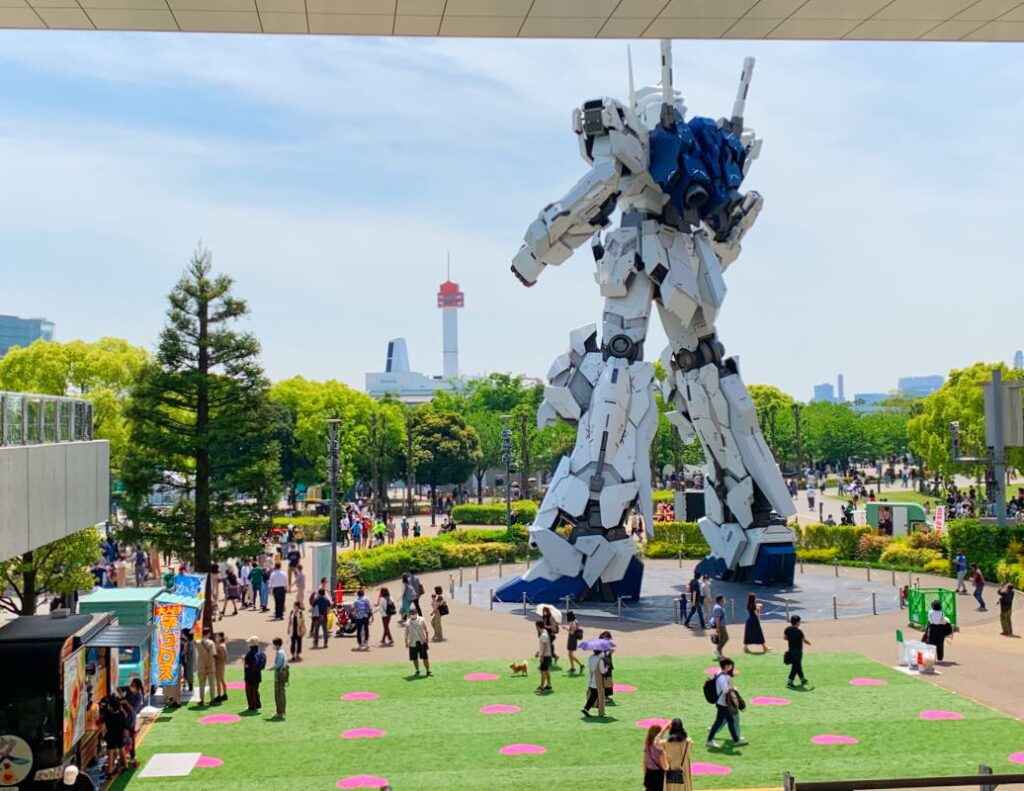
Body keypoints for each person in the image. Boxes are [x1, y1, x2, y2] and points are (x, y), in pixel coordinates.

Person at [707, 657, 747, 748]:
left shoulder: (719, 672)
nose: (731, 667)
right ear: (725, 666)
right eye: (729, 665)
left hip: (722, 703)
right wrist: (733, 688)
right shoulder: (724, 678)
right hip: (724, 703)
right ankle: (710, 739)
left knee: (730, 720)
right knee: (723, 721)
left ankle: (736, 739)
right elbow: (725, 690)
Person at [656, 718, 693, 791]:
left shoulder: (666, 743)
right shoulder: (689, 742)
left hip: (671, 773)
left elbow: (656, 742)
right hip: (683, 772)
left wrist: (663, 729)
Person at [405, 606, 432, 676]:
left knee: (425, 657)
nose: (412, 614)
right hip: (412, 642)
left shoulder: (421, 619)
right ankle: (417, 670)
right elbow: (406, 634)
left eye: (413, 613)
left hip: (422, 641)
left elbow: (426, 629)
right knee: (414, 658)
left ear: (416, 613)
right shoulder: (407, 622)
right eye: (411, 613)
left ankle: (428, 671)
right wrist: (406, 642)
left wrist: (427, 638)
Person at [580, 647, 607, 717]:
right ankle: (600, 712)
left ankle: (586, 709)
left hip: (591, 680)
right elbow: (602, 671)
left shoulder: (591, 657)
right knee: (600, 696)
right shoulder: (600, 659)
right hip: (598, 681)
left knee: (593, 695)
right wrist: (606, 668)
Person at [783, 615, 810, 687]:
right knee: (796, 666)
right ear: (797, 622)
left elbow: (785, 638)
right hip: (798, 651)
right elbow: (804, 640)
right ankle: (790, 681)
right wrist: (809, 643)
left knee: (798, 665)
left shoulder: (787, 629)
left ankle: (802, 679)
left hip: (791, 650)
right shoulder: (799, 631)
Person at [194, 627, 216, 706]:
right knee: (211, 683)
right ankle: (212, 699)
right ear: (208, 634)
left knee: (202, 684)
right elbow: (212, 654)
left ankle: (201, 700)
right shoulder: (211, 643)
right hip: (210, 665)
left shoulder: (198, 642)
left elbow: (194, 639)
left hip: (201, 664)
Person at [642, 723, 668, 791]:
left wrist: (646, 775)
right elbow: (664, 765)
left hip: (649, 773)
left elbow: (645, 762)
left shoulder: (646, 746)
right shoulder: (659, 748)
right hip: (658, 774)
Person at [243, 636, 264, 712]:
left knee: (250, 691)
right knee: (256, 690)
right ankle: (257, 704)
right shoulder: (259, 652)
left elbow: (247, 665)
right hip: (257, 675)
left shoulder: (249, 654)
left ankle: (252, 706)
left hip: (250, 675)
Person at [270, 636, 288, 720]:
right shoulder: (282, 652)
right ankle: (281, 711)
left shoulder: (280, 653)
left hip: (279, 676)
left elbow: (278, 664)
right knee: (281, 693)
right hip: (282, 675)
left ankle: (279, 712)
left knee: (278, 694)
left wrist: (272, 668)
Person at [535, 619, 553, 693]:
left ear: (538, 626)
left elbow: (545, 646)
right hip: (546, 655)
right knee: (546, 671)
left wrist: (541, 655)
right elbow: (544, 645)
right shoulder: (544, 632)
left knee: (543, 672)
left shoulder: (543, 635)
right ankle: (549, 685)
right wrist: (539, 652)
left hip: (545, 656)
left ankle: (542, 686)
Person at [710, 595, 728, 659]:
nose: (724, 600)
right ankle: (717, 650)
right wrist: (718, 629)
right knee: (726, 638)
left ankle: (719, 654)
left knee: (720, 640)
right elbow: (717, 619)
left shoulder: (718, 607)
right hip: (721, 626)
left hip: (721, 625)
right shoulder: (718, 608)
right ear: (720, 600)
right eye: (723, 599)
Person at [179, 628, 196, 695]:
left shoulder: (189, 644)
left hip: (187, 661)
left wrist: (181, 653)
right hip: (187, 661)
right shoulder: (189, 642)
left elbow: (185, 652)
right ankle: (186, 686)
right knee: (187, 673)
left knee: (187, 673)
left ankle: (189, 686)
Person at [214, 632, 228, 703]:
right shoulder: (221, 645)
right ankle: (224, 694)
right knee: (221, 679)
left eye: (217, 637)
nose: (216, 638)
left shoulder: (221, 646)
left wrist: (215, 655)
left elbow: (223, 656)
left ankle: (219, 695)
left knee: (218, 680)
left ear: (220, 637)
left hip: (219, 665)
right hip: (220, 665)